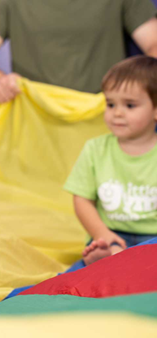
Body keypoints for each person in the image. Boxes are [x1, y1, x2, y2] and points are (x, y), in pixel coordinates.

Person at [0, 0, 157, 103]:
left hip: (106, 117)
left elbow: (153, 43)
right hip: (37, 117)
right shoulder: (12, 1)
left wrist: (136, 88)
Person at [64, 56, 157, 265]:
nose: (117, 113)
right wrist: (102, 234)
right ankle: (106, 258)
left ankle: (121, 261)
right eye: (110, 104)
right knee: (78, 277)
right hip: (112, 235)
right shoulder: (95, 149)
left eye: (130, 105)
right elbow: (82, 200)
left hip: (153, 239)